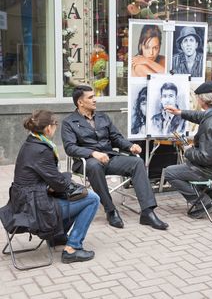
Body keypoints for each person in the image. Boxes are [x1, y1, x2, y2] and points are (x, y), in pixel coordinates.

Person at [61, 85, 169, 230]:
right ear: (80, 102)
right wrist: (93, 153)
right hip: (87, 162)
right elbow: (70, 147)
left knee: (136, 162)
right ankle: (110, 210)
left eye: (94, 96)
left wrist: (130, 146)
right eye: (91, 97)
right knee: (94, 165)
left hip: (109, 158)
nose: (95, 100)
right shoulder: (69, 122)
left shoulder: (103, 117)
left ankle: (147, 212)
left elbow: (116, 138)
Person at [0, 110, 100, 264]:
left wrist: (58, 183)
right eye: (55, 124)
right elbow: (59, 184)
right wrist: (67, 177)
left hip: (24, 202)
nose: (56, 127)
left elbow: (51, 180)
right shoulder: (41, 150)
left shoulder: (31, 142)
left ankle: (57, 237)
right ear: (48, 128)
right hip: (35, 209)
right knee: (92, 199)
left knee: (75, 195)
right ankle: (72, 249)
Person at [164, 81, 212, 218]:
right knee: (190, 167)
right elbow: (202, 116)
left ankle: (203, 202)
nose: (196, 100)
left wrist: (188, 150)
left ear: (203, 99)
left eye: (197, 97)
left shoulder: (211, 125)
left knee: (170, 172)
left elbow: (206, 158)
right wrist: (180, 113)